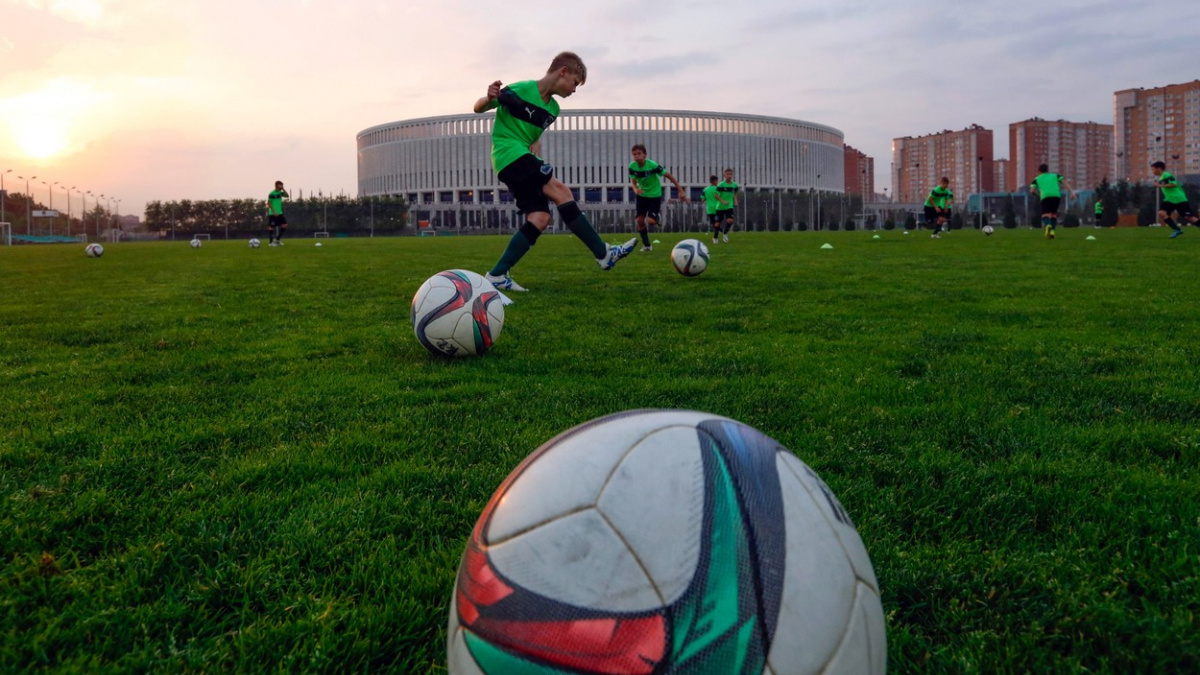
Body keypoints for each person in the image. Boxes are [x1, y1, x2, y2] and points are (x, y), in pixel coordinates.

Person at [472, 52, 635, 293]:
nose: (574, 90)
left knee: (540, 218)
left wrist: (535, 145)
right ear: (563, 72)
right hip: (509, 154)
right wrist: (488, 98)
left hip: (516, 160)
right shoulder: (521, 89)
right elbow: (479, 108)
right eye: (575, 83)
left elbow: (532, 134)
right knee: (561, 191)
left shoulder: (553, 110)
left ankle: (497, 275)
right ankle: (604, 253)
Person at [629, 144, 688, 251]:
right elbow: (633, 182)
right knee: (639, 220)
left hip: (654, 195)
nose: (636, 156)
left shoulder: (652, 165)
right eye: (634, 154)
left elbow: (669, 176)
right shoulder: (632, 167)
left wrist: (680, 190)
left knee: (651, 221)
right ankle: (647, 245)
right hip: (642, 196)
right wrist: (636, 189)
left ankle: (656, 217)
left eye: (639, 153)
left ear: (645, 155)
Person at [1151, 160, 1198, 239]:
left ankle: (1177, 229)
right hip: (1170, 199)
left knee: (1189, 218)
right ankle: (1177, 229)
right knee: (1162, 213)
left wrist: (1160, 185)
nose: (1152, 171)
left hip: (1178, 198)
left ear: (1159, 168)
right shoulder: (1161, 177)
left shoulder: (1166, 174)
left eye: (1153, 169)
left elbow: (1174, 184)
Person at [1030, 164, 1074, 239]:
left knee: (1045, 215)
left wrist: (1039, 195)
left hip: (1045, 196)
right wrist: (1072, 191)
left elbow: (1032, 191)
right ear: (1047, 170)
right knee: (1053, 214)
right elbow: (1064, 182)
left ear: (1039, 171)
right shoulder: (1055, 175)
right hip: (1056, 196)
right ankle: (1052, 232)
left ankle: (1048, 225)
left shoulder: (1036, 179)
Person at [715, 168, 739, 243]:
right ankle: (715, 238)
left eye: (730, 174)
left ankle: (725, 233)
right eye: (727, 174)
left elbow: (735, 192)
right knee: (717, 223)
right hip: (720, 207)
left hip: (729, 206)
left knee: (730, 221)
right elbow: (716, 195)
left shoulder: (734, 185)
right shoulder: (721, 185)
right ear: (724, 175)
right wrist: (722, 201)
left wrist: (735, 200)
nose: (729, 176)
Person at [702, 175, 729, 239]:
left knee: (714, 224)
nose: (717, 182)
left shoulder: (705, 189)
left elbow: (702, 200)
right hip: (718, 208)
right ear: (714, 181)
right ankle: (719, 235)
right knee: (717, 223)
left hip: (710, 209)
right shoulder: (718, 188)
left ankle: (719, 234)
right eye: (717, 181)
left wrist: (708, 198)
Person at [266, 181, 289, 246]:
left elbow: (287, 195)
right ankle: (270, 243)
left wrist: (283, 189)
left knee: (284, 225)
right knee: (271, 227)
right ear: (276, 185)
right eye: (280, 185)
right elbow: (269, 203)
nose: (281, 186)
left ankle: (277, 239)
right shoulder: (272, 193)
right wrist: (274, 211)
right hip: (273, 213)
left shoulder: (280, 193)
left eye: (282, 185)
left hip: (280, 213)